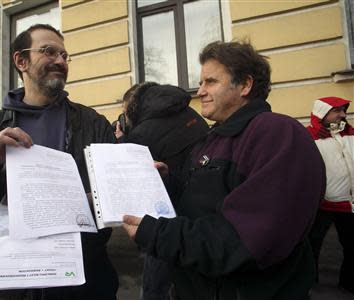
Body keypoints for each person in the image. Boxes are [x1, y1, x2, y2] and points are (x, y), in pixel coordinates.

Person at [122, 41, 326, 299]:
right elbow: (203, 202)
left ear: (245, 85)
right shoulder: (213, 137)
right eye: (201, 82)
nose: (200, 91)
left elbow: (244, 240)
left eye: (210, 82)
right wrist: (168, 182)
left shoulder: (278, 134)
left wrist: (156, 234)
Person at [0, 24, 118, 299]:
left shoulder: (93, 124)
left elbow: (114, 194)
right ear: (21, 61)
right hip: (17, 285)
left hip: (86, 281)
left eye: (65, 55)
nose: (60, 61)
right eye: (48, 51)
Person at [114, 82, 209, 300]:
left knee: (156, 283)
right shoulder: (187, 111)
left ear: (133, 107)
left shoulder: (143, 133)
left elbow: (130, 173)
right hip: (202, 208)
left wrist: (122, 142)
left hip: (168, 217)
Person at [306, 96, 354, 293]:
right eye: (337, 111)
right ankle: (309, 286)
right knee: (311, 247)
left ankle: (349, 284)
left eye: (343, 110)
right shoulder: (308, 137)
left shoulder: (351, 134)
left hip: (349, 203)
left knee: (353, 248)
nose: (343, 115)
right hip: (321, 204)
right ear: (322, 113)